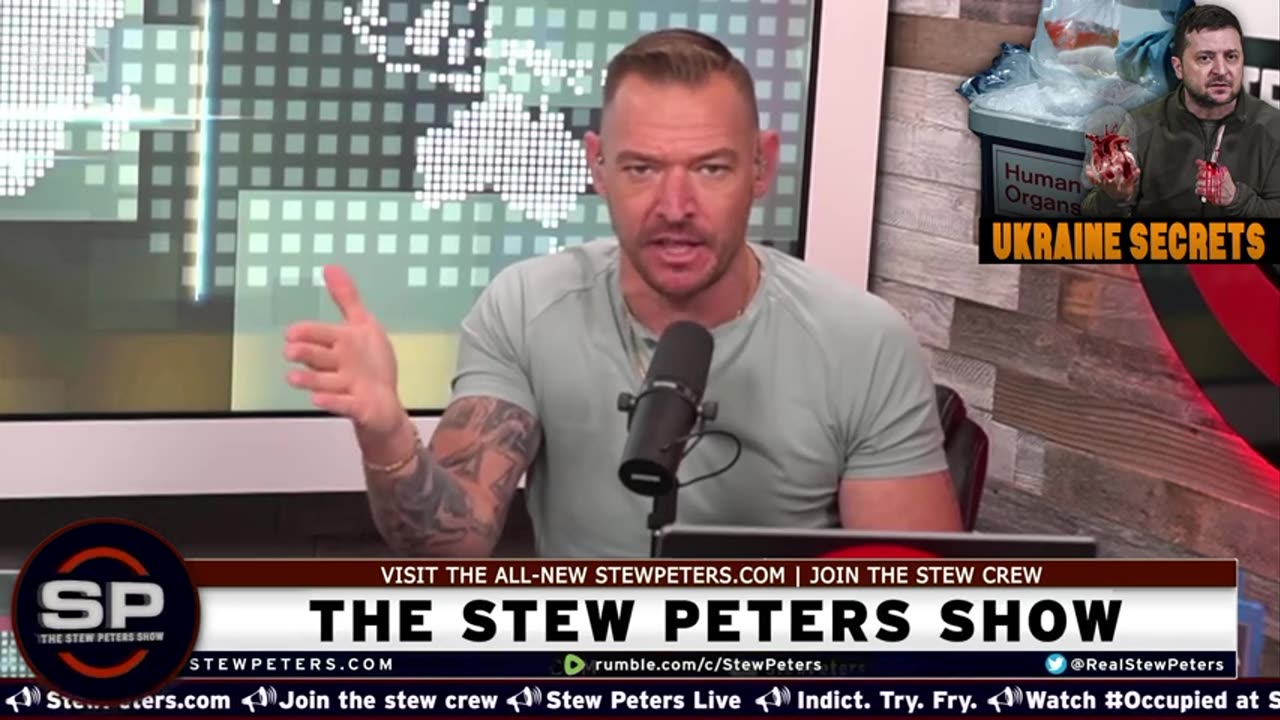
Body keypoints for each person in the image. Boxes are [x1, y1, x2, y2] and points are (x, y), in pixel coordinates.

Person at [283, 29, 962, 558]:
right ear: (598, 166)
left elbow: (916, 610)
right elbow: (450, 544)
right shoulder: (525, 307)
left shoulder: (862, 340)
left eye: (711, 169)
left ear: (761, 167)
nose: (675, 207)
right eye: (642, 168)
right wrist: (387, 435)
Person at [1082, 4, 1280, 217]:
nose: (1221, 70)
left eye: (1231, 57)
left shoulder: (1273, 128)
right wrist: (1115, 198)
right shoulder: (1140, 126)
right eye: (1205, 58)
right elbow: (1092, 217)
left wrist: (1236, 199)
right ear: (1178, 67)